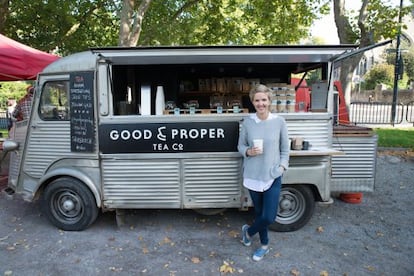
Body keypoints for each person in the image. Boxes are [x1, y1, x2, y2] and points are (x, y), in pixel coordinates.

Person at [237, 84, 290, 261]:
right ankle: (264, 245)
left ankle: (248, 232)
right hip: (253, 174)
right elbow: (240, 145)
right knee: (259, 214)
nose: (261, 103)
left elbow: (285, 149)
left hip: (272, 174)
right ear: (253, 102)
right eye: (257, 100)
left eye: (264, 100)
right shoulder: (248, 122)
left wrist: (282, 167)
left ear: (269, 101)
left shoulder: (279, 122)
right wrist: (248, 152)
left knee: (269, 216)